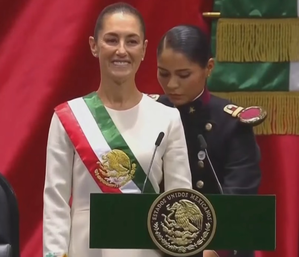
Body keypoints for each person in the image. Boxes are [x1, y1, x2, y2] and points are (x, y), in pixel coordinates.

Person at [42, 4, 193, 257]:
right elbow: (55, 203)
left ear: (144, 49)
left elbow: (180, 201)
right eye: (111, 40)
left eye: (131, 41)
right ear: (94, 45)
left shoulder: (168, 118)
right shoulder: (69, 117)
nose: (121, 50)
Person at [150, 25, 266, 257]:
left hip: (216, 245)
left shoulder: (230, 124)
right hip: (156, 243)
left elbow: (239, 199)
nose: (172, 84)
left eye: (183, 75)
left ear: (208, 68)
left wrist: (214, 248)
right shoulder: (149, 113)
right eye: (163, 73)